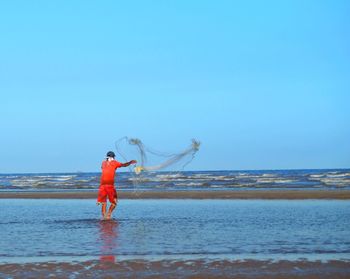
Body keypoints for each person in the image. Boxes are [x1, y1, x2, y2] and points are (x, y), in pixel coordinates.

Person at [97, 151, 137, 220]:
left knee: (103, 202)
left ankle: (104, 217)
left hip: (102, 185)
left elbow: (102, 168)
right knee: (114, 201)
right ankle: (108, 214)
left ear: (107, 157)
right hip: (109, 186)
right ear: (113, 157)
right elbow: (124, 165)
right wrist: (130, 162)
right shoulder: (114, 163)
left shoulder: (103, 163)